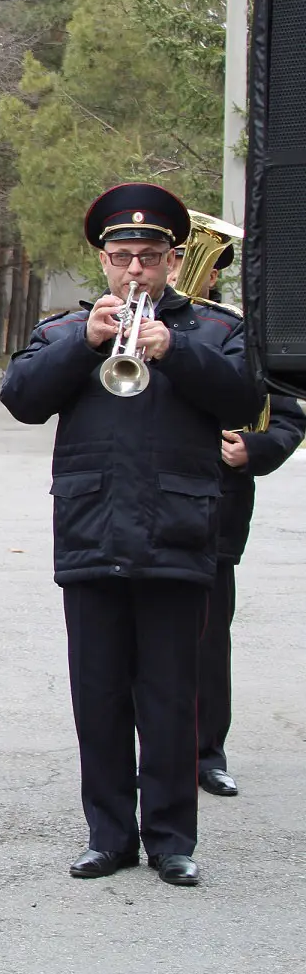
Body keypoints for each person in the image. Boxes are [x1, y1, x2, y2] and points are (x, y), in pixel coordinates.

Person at [0, 183, 261, 887]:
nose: (135, 270)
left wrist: (174, 349)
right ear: (103, 262)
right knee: (99, 696)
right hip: (91, 529)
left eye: (149, 256)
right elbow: (22, 400)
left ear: (174, 260)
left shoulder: (214, 330)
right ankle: (108, 836)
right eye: (122, 258)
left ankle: (171, 839)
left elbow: (246, 398)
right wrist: (85, 345)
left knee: (171, 696)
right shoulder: (66, 330)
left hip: (177, 529)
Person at [193, 246, 305, 798]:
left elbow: (286, 419)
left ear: (216, 273)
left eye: (198, 260)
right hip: (139, 506)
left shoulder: (241, 332)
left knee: (208, 640)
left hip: (215, 509)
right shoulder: (116, 324)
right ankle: (143, 751)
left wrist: (253, 450)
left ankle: (205, 753)